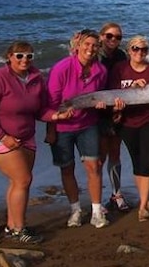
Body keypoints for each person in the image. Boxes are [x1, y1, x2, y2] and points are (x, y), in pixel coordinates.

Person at [0, 41, 73, 243]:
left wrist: (57, 117)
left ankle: (12, 226)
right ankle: (19, 229)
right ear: (9, 57)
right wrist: (3, 137)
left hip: (25, 137)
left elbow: (40, 110)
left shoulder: (36, 79)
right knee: (23, 180)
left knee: (18, 182)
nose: (24, 60)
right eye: (19, 55)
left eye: (29, 56)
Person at [47, 28, 110, 229]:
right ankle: (75, 210)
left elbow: (99, 97)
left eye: (94, 45)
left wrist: (102, 104)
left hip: (88, 124)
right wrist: (51, 129)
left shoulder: (101, 71)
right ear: (78, 46)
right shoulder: (61, 68)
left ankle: (96, 212)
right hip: (62, 126)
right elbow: (51, 102)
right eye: (86, 44)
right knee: (67, 169)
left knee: (94, 166)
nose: (90, 49)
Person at [109, 36, 149, 221]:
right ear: (128, 50)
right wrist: (131, 89)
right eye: (135, 48)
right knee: (137, 161)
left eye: (143, 49)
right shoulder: (119, 69)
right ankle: (145, 199)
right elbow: (112, 92)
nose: (139, 52)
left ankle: (142, 207)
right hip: (127, 122)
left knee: (148, 161)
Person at [98, 22, 131, 212]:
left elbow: (124, 81)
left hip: (116, 107)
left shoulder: (121, 56)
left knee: (115, 152)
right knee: (100, 155)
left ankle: (116, 193)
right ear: (102, 36)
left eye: (118, 37)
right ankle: (99, 198)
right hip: (98, 109)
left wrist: (118, 110)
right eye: (109, 36)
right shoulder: (95, 54)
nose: (113, 40)